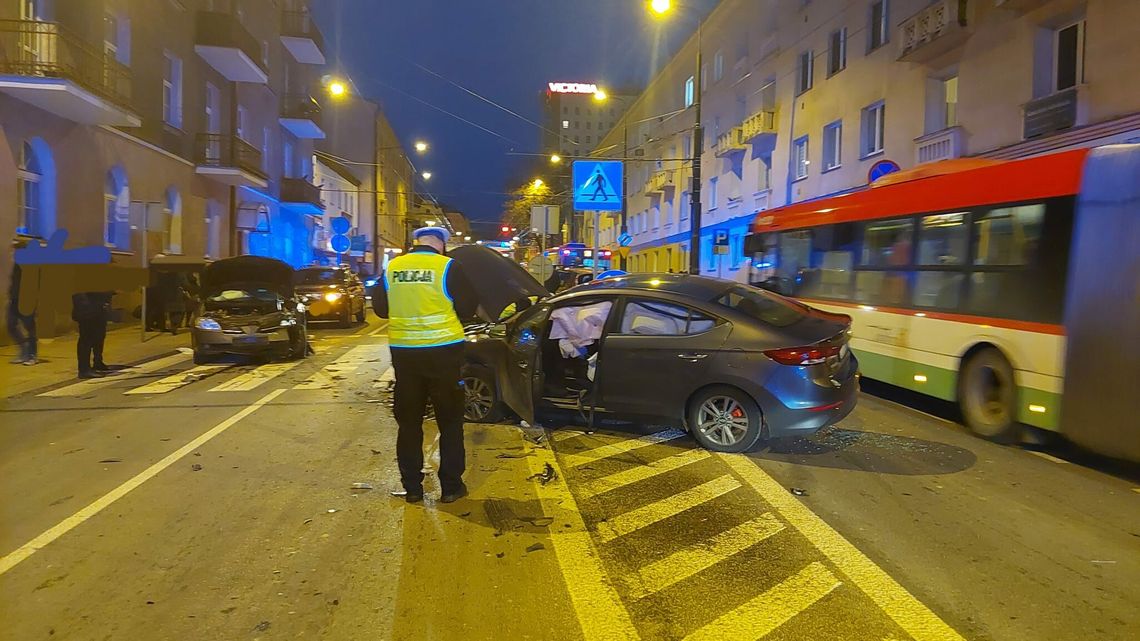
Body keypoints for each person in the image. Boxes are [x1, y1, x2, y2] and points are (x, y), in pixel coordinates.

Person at [372, 227, 478, 504]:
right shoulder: (448, 267)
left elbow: (381, 310)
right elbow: (467, 309)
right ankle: (451, 488)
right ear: (441, 245)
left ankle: (413, 489)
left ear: (416, 243)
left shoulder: (393, 268)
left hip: (405, 357)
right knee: (451, 422)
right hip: (445, 356)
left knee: (408, 424)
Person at [73, 291, 113, 379]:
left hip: (96, 306)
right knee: (86, 339)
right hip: (86, 308)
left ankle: (98, 362)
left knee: (99, 335)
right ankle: (84, 369)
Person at [7, 262, 38, 365]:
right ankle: (24, 349)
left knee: (29, 326)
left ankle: (32, 354)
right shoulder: (16, 264)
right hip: (14, 299)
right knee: (11, 324)